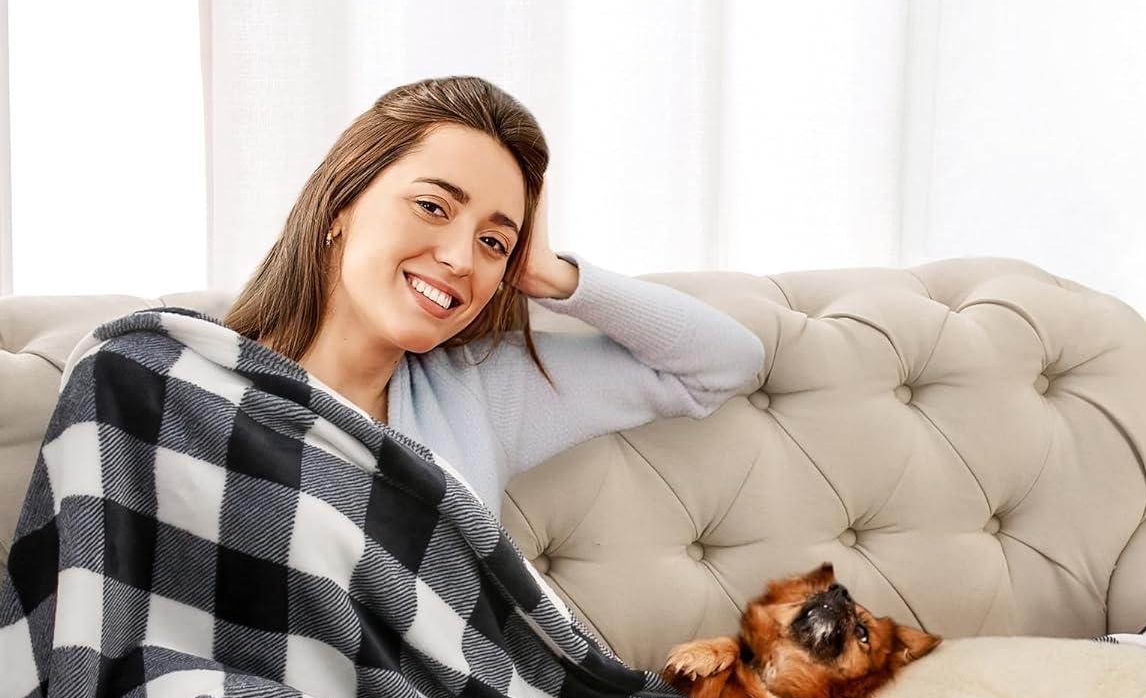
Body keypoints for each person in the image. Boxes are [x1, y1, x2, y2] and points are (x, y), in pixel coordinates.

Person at [224, 75, 765, 515]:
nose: (462, 260)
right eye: (432, 206)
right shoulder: (188, 377)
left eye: (493, 242)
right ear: (341, 203)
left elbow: (725, 363)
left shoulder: (478, 395)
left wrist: (549, 274)